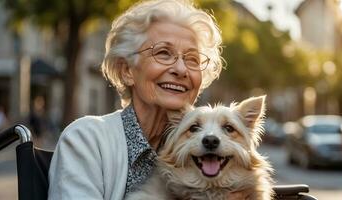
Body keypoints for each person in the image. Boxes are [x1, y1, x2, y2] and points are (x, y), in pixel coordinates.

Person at [48, 0, 246, 199]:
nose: (180, 69)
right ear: (127, 71)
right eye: (163, 53)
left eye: (192, 59)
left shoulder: (217, 152)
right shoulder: (87, 140)